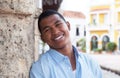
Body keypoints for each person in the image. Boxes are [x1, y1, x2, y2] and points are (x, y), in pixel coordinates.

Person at [30, 10, 102, 78]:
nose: (55, 32)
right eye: (47, 30)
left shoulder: (90, 62)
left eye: (58, 24)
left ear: (68, 26)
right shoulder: (40, 69)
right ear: (42, 38)